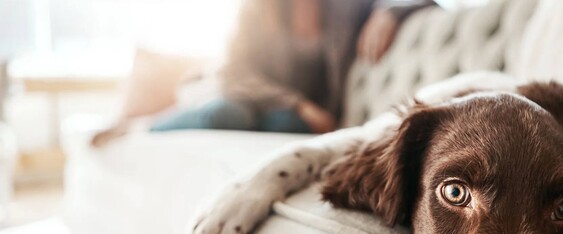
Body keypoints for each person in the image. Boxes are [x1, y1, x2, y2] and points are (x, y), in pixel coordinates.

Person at [92, 0, 434, 147]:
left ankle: (290, 114)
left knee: (289, 127)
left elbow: (428, 1)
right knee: (231, 112)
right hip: (244, 95)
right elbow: (232, 73)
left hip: (285, 115)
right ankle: (141, 128)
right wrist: (299, 103)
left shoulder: (345, 7)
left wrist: (391, 12)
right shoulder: (258, 7)